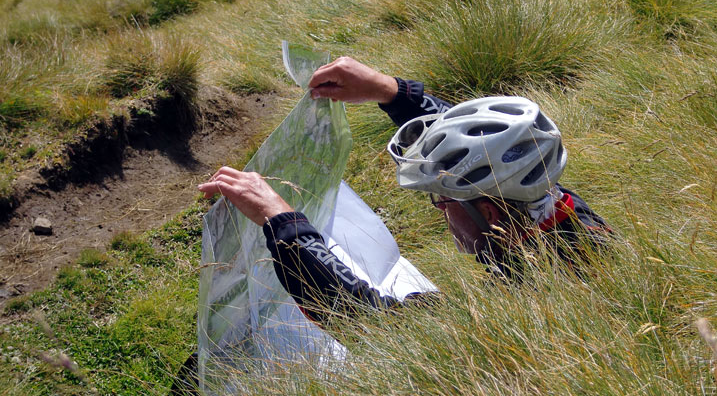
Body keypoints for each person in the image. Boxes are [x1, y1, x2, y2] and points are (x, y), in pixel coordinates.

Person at [197, 57, 611, 328]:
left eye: (442, 201)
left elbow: (363, 319)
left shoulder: (513, 313)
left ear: (491, 213)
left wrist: (280, 220)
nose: (439, 213)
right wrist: (393, 92)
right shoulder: (560, 213)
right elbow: (488, 145)